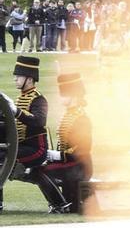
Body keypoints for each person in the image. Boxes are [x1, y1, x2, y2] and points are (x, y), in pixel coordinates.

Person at [1, 56, 67, 212]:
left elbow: (38, 122)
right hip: (23, 146)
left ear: (29, 79)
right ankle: (60, 204)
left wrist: (16, 112)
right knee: (33, 174)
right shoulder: (21, 98)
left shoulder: (39, 100)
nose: (15, 79)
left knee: (3, 158)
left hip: (36, 149)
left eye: (19, 76)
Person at [38, 73, 92, 213]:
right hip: (69, 163)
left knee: (41, 172)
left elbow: (82, 149)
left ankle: (59, 204)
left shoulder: (81, 118)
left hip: (79, 165)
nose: (60, 97)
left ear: (73, 94)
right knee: (38, 167)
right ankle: (60, 202)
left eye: (63, 93)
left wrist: (57, 156)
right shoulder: (69, 114)